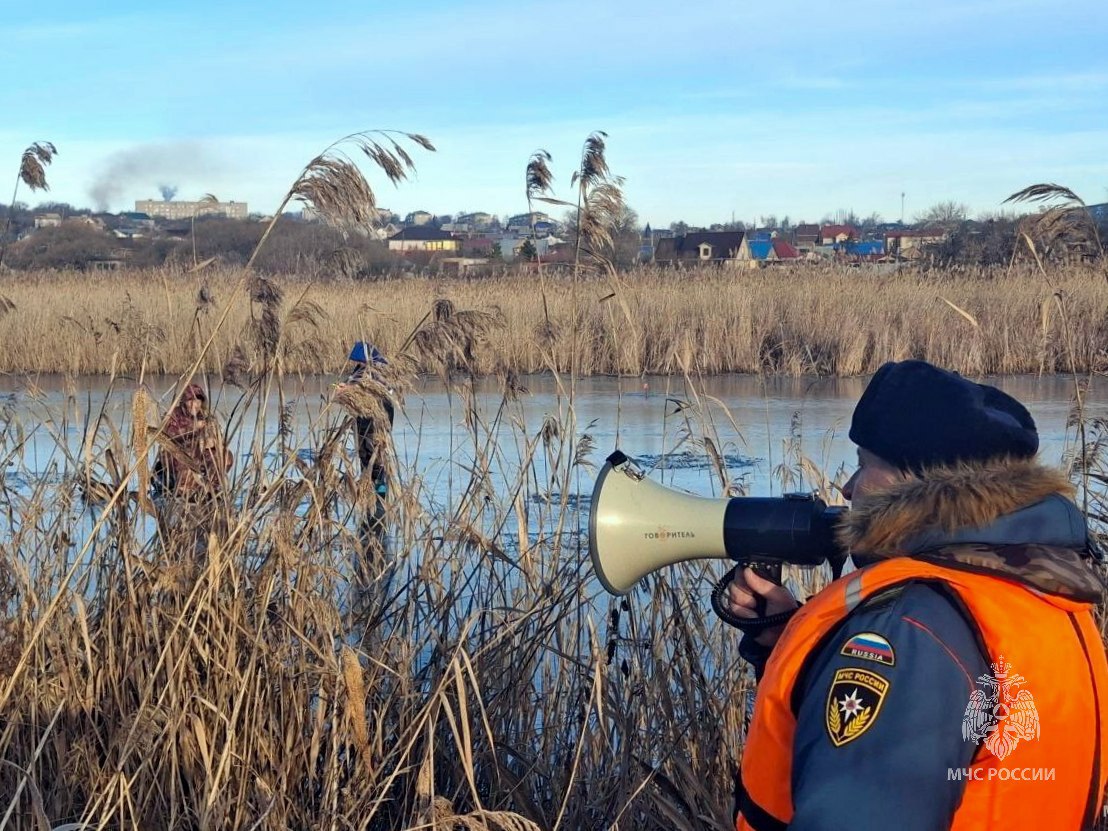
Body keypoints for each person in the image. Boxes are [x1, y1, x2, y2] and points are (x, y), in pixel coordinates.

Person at [726, 360, 1108, 831]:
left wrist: (866, 644)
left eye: (864, 465)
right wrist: (794, 647)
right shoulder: (1041, 596)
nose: (847, 487)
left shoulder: (906, 632)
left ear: (917, 485)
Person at [151, 383, 233, 503]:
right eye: (191, 401)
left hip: (200, 455)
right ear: (184, 401)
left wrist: (214, 443)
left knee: (225, 456)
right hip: (175, 455)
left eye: (198, 401)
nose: (195, 405)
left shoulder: (206, 416)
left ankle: (212, 488)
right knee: (188, 457)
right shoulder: (173, 415)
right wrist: (193, 427)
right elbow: (167, 436)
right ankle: (183, 490)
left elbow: (219, 439)